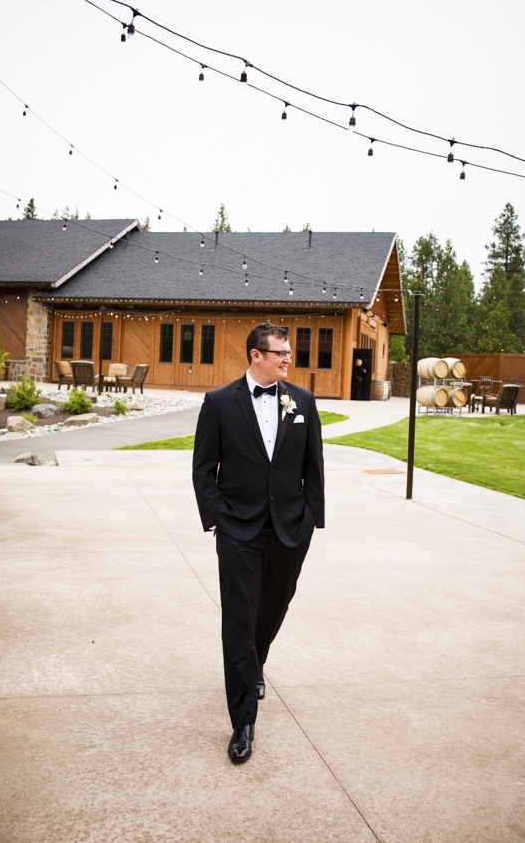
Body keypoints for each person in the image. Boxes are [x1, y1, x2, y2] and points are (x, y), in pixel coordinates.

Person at [192, 323, 325, 764]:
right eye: (281, 352)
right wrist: (217, 520)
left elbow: (314, 466)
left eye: (289, 352)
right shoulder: (218, 403)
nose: (289, 358)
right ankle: (242, 722)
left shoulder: (302, 401)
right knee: (238, 619)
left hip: (289, 528)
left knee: (272, 607)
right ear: (256, 356)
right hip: (238, 530)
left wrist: (311, 520)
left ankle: (257, 659)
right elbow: (203, 467)